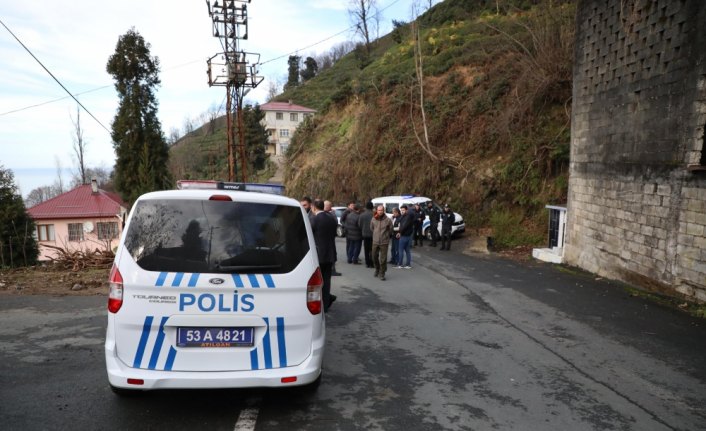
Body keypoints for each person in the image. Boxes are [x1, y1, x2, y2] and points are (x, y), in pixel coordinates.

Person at [310, 199, 338, 311]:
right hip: (330, 254)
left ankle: (317, 305)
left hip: (318, 255)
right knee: (326, 281)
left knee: (316, 282)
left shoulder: (314, 219)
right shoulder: (332, 218)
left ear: (313, 207)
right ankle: (325, 304)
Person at [370, 204, 393, 280]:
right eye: (379, 210)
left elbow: (391, 230)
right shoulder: (373, 219)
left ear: (384, 211)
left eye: (381, 210)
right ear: (377, 210)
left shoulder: (388, 220)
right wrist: (376, 235)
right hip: (375, 241)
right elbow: (371, 228)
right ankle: (377, 269)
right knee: (374, 257)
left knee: (383, 259)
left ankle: (382, 273)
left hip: (384, 242)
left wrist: (386, 235)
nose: (380, 211)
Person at [324, 200, 341, 276]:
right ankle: (332, 270)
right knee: (332, 254)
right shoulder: (330, 215)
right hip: (330, 238)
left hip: (325, 238)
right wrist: (333, 214)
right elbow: (335, 223)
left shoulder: (319, 214)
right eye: (330, 206)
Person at [358, 201, 374, 268]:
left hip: (365, 234)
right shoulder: (374, 214)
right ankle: (372, 263)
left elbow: (359, 225)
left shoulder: (362, 215)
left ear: (366, 207)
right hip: (373, 234)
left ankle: (367, 263)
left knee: (366, 249)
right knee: (373, 249)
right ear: (372, 207)